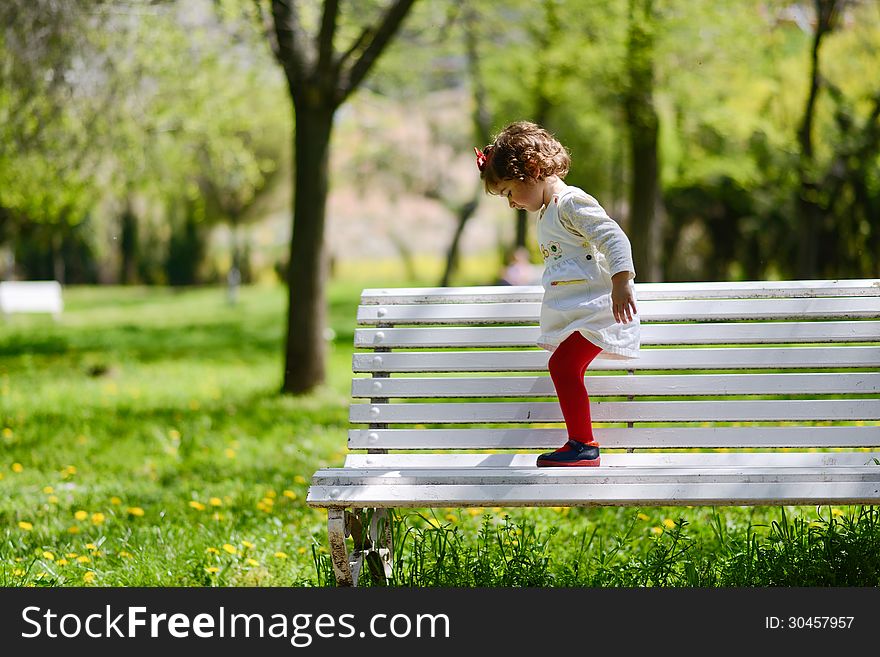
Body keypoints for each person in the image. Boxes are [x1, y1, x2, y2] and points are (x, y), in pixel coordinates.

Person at [475, 121, 639, 467]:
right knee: (563, 367)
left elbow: (614, 237)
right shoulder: (550, 211)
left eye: (508, 192)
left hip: (601, 310)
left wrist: (622, 281)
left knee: (562, 366)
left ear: (532, 171)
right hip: (586, 311)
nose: (511, 203)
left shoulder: (570, 202)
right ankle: (581, 443)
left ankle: (583, 445)